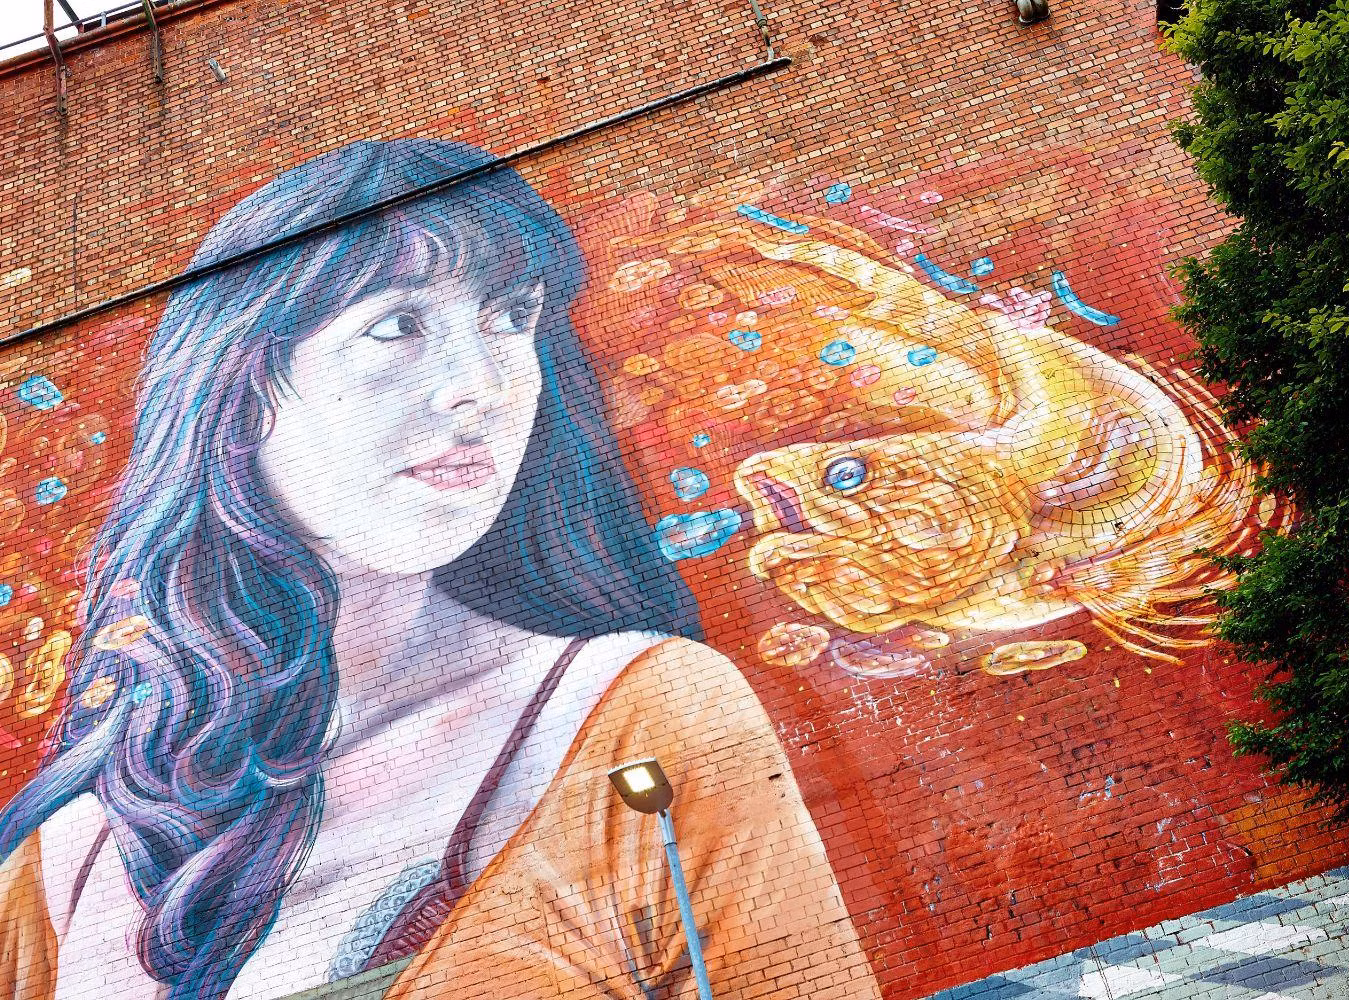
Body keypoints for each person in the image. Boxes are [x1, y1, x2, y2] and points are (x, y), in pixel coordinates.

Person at [0, 141, 879, 1000]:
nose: (482, 386)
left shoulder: (635, 713)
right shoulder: (70, 854)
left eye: (511, 316)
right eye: (397, 325)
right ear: (241, 391)